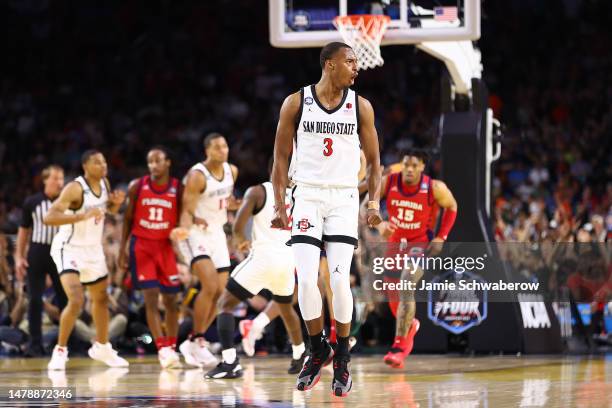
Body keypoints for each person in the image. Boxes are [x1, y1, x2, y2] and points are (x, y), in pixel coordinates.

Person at [271, 42, 382, 397]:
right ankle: (318, 348)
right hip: (305, 195)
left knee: (338, 281)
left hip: (344, 198)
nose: (356, 68)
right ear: (330, 64)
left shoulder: (360, 106)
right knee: (305, 281)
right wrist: (278, 205)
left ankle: (343, 355)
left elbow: (376, 162)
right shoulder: (296, 102)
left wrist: (374, 200)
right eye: (350, 61)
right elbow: (279, 160)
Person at [205, 164, 306, 379]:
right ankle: (300, 353)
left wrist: (241, 241)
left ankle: (230, 361)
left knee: (224, 304)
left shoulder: (259, 191)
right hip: (288, 261)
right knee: (286, 309)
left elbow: (237, 227)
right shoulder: (301, 196)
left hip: (263, 259)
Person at [44, 150, 129, 370]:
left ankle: (102, 347)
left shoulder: (106, 184)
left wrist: (115, 205)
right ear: (85, 166)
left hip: (92, 249)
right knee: (76, 300)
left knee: (100, 298)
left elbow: (105, 211)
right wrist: (81, 216)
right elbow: (49, 217)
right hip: (69, 248)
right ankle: (60, 351)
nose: (103, 165)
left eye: (104, 161)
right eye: (97, 162)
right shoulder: (75, 188)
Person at [378, 149, 457, 368]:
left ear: (422, 167)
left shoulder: (434, 188)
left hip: (420, 244)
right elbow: (369, 203)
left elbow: (452, 206)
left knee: (407, 281)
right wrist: (378, 223)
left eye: (414, 165)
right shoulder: (388, 182)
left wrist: (442, 236)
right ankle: (410, 326)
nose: (410, 169)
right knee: (394, 299)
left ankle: (399, 346)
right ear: (401, 166)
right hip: (395, 244)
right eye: (406, 165)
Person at [175, 133, 239, 367]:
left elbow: (226, 200)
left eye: (225, 145)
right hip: (195, 232)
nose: (223, 150)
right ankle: (199, 338)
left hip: (217, 233)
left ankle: (193, 341)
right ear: (207, 151)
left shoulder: (232, 170)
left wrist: (234, 206)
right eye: (217, 147)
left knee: (222, 292)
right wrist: (182, 230)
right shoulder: (197, 176)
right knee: (209, 285)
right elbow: (186, 209)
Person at [118, 147, 182, 368]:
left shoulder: (177, 188)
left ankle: (173, 346)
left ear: (168, 163)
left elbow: (184, 217)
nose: (154, 165)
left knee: (172, 301)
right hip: (142, 247)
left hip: (165, 247)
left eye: (158, 161)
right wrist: (121, 250)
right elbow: (126, 220)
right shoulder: (137, 186)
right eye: (150, 162)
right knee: (151, 298)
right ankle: (162, 349)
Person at [14, 165, 68, 356]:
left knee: (65, 299)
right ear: (45, 180)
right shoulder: (33, 202)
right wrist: (19, 256)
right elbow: (23, 231)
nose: (59, 182)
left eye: (61, 178)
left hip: (60, 252)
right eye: (55, 178)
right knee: (35, 299)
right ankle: (35, 343)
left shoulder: (67, 202)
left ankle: (67, 342)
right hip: (37, 251)